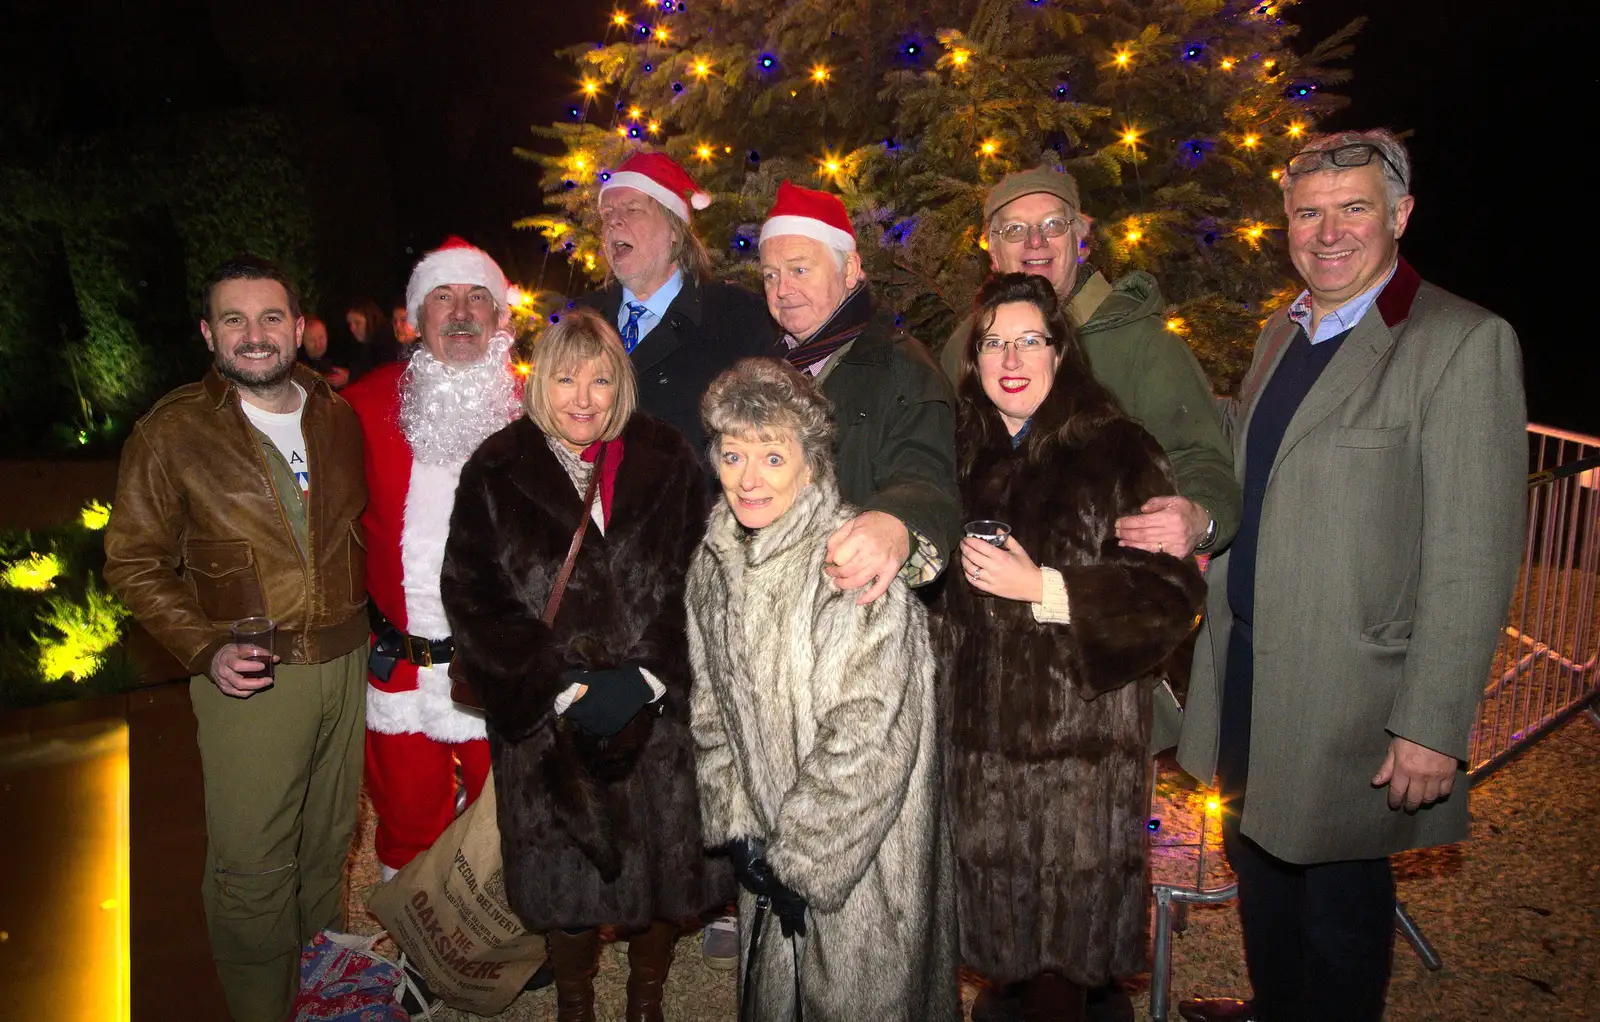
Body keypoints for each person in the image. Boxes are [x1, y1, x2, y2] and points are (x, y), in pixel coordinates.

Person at [1175, 130, 1526, 1022]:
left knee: (1337, 901)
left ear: (1400, 215)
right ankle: (1272, 1006)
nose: (1328, 232)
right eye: (1308, 213)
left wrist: (1432, 724)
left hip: (1353, 691)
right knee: (1259, 856)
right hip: (1252, 665)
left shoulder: (1461, 342)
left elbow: (1472, 554)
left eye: (1354, 208)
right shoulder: (1281, 332)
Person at [440, 308, 729, 1022]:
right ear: (542, 383)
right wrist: (556, 685)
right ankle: (574, 1002)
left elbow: (707, 575)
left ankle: (647, 997)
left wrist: (651, 675)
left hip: (657, 716)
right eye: (566, 378)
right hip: (548, 723)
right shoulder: (498, 467)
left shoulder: (667, 457)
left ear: (620, 384)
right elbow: (472, 594)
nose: (583, 397)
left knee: (664, 868)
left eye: (601, 379)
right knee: (564, 879)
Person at [935, 273, 1207, 1022]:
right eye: (993, 341)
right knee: (1000, 959)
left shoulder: (1118, 449)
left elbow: (1171, 598)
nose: (1010, 357)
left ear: (1062, 352)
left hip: (1077, 766)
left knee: (1064, 954)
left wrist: (1047, 590)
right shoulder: (956, 449)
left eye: (1029, 339)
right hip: (976, 754)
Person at [104, 255, 369, 1022]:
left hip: (344, 662)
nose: (255, 336)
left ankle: (322, 1000)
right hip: (250, 679)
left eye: (271, 318)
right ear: (207, 333)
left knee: (326, 854)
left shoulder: (335, 414)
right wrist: (203, 646)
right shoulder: (173, 431)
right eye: (234, 320)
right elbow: (131, 560)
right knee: (253, 870)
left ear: (298, 326)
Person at [686, 357, 960, 1021]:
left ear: (809, 461)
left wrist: (800, 862)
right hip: (772, 842)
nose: (749, 480)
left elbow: (868, 737)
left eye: (773, 457)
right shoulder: (714, 560)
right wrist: (741, 828)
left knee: (860, 999)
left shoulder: (846, 562)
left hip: (865, 862)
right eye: (733, 455)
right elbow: (711, 710)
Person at [942, 166, 1239, 565]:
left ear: (1080, 238)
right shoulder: (965, 346)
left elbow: (1202, 457)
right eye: (1014, 230)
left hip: (1102, 593)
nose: (1035, 241)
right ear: (991, 250)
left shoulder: (1142, 343)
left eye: (1053, 225)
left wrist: (1200, 517)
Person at [342, 237, 519, 881]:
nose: (463, 312)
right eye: (443, 298)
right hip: (400, 660)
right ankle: (417, 943)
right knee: (407, 821)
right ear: (417, 317)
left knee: (509, 819)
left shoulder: (539, 405)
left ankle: (507, 939)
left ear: (502, 316)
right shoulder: (362, 406)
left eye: (479, 297)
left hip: (498, 664)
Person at [759, 180, 961, 605]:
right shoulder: (761, 375)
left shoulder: (903, 369)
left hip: (854, 619)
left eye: (799, 269)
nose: (781, 290)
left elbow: (926, 475)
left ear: (849, 270)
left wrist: (896, 523)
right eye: (770, 275)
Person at [575, 151, 775, 458]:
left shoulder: (736, 318)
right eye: (607, 214)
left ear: (674, 229)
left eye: (632, 209)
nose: (613, 222)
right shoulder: (582, 316)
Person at [344, 298, 402, 381]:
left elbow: (382, 376)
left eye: (358, 323)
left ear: (371, 320)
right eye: (350, 324)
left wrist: (350, 376)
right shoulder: (361, 347)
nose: (352, 329)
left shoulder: (385, 344)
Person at [301, 315, 350, 388]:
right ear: (302, 341)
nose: (318, 345)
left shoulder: (341, 353)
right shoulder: (298, 366)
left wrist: (348, 377)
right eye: (312, 340)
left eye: (321, 338)